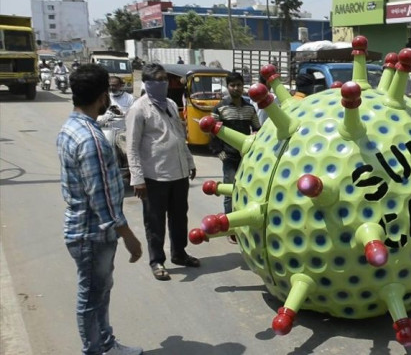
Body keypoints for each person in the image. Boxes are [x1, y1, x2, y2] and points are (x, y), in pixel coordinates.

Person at [56, 64, 143, 355]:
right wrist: (129, 236)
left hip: (85, 229)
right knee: (92, 297)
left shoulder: (71, 128)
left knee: (98, 293)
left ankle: (105, 344)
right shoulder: (92, 140)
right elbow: (101, 200)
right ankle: (94, 350)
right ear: (104, 96)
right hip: (92, 233)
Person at [126, 63, 199, 281]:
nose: (163, 84)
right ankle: (157, 260)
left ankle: (179, 253)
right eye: (157, 80)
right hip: (154, 176)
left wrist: (189, 162)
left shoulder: (170, 104)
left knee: (179, 217)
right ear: (148, 83)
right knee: (155, 221)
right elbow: (131, 146)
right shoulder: (139, 109)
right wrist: (137, 178)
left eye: (164, 80)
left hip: (178, 173)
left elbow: (179, 136)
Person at [210, 72, 260, 243]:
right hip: (229, 156)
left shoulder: (249, 108)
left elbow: (257, 129)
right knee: (230, 191)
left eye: (239, 85)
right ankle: (230, 227)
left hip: (247, 156)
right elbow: (212, 131)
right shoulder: (220, 108)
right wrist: (218, 151)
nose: (236, 88)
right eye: (233, 85)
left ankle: (244, 222)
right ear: (227, 86)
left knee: (248, 189)